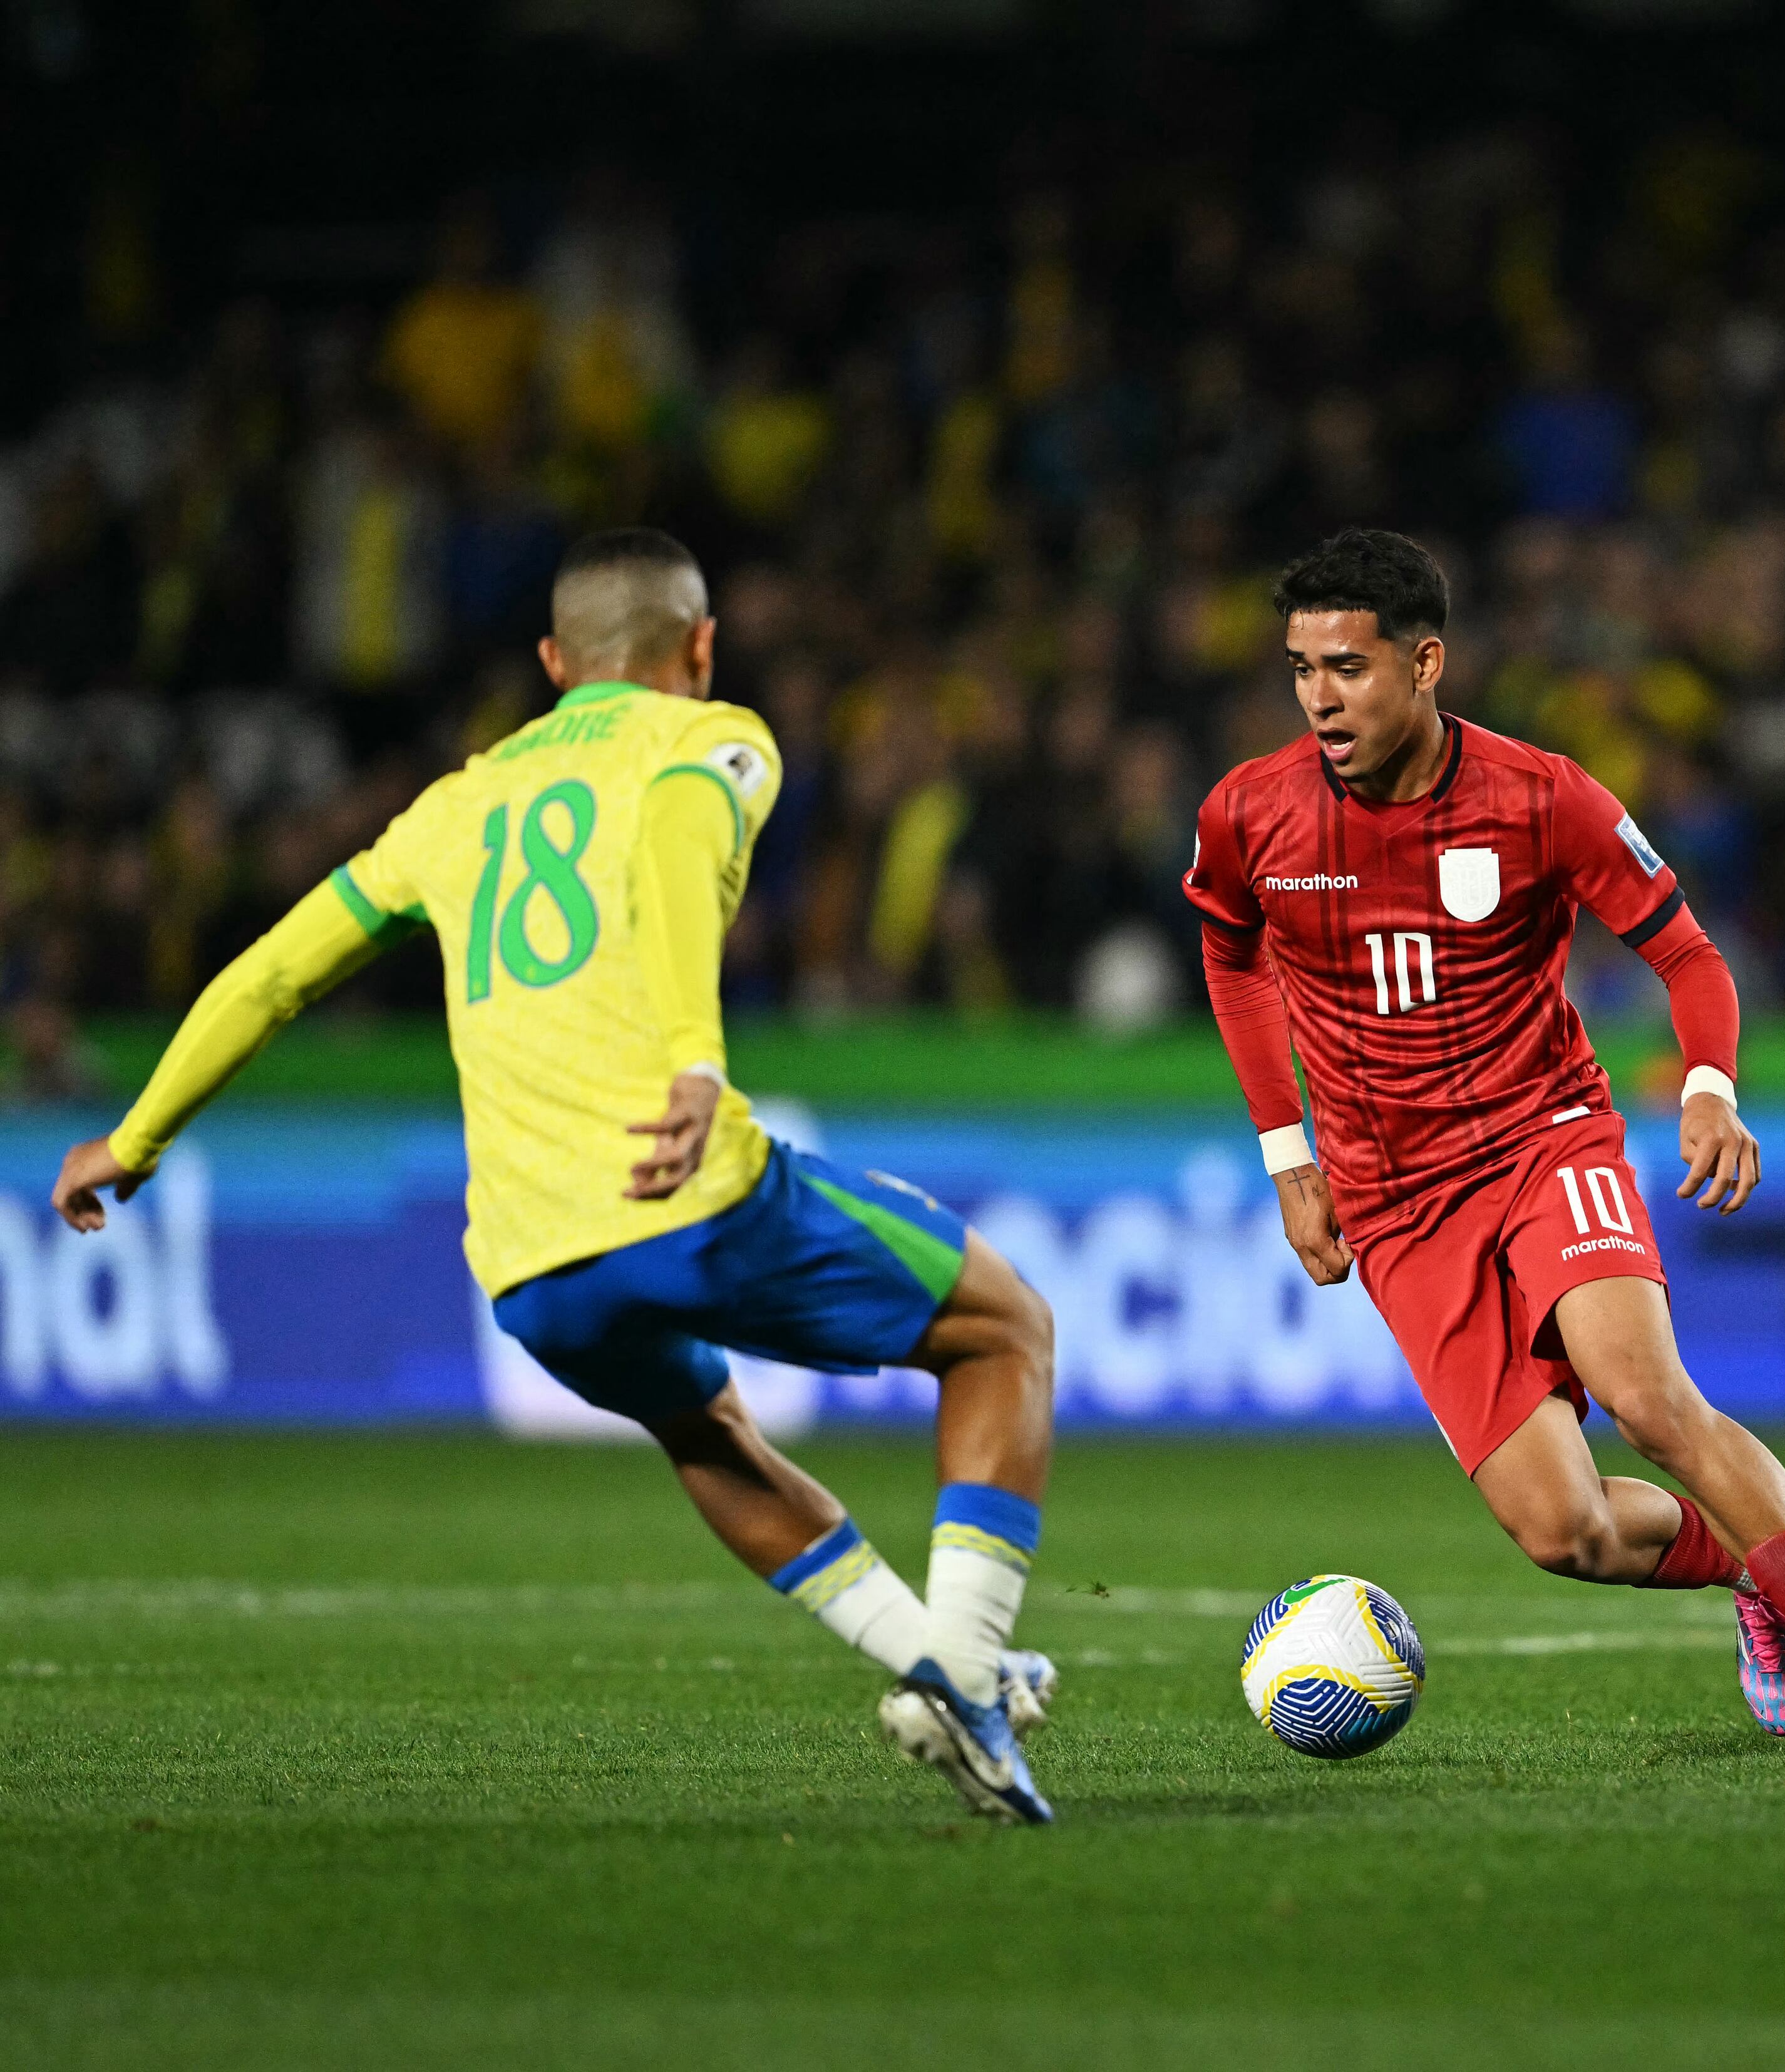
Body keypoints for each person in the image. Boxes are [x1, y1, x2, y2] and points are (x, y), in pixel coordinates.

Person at [51, 529, 1070, 1820]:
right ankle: (968, 1672)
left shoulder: (453, 805)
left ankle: (944, 1674)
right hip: (683, 1192)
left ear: (551, 662)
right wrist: (697, 1057)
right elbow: (673, 852)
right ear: (699, 647)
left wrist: (133, 1137)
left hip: (530, 1268)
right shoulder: (712, 740)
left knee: (706, 1428)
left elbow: (275, 970)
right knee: (1005, 1327)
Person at [1187, 528, 1785, 1770]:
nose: (1320, 696)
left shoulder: (1541, 796)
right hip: (1392, 1201)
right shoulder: (1249, 814)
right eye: (1301, 668)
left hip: (1544, 1139)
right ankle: (1752, 1577)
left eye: (1350, 668)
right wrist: (1290, 1157)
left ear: (1425, 663)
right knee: (1565, 1530)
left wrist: (1707, 1086)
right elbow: (1231, 961)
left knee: (1649, 1400)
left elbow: (1689, 954)